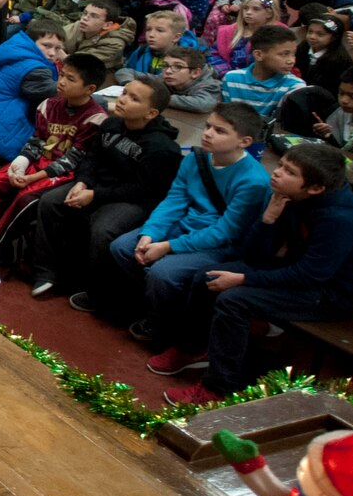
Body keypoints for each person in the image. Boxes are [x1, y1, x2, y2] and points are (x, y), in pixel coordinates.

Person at [153, 143, 353, 406]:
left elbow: (310, 276)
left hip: (332, 294)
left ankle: (218, 388)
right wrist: (268, 219)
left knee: (234, 301)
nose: (276, 173)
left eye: (289, 172)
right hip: (302, 275)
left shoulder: (340, 221)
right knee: (207, 277)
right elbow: (255, 257)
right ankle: (191, 349)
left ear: (315, 188)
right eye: (281, 165)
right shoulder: (289, 198)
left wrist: (244, 279)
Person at [79, 103, 272, 334]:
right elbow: (174, 200)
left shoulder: (253, 181)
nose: (208, 134)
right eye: (208, 126)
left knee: (163, 272)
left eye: (220, 131)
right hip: (185, 226)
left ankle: (161, 324)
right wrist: (150, 233)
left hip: (220, 244)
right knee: (122, 247)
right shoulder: (196, 159)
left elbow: (225, 232)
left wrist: (168, 246)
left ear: (245, 142)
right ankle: (146, 302)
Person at [22, 73, 181, 299]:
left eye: (134, 99)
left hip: (132, 200)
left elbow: (143, 189)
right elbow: (92, 157)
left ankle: (97, 292)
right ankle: (46, 272)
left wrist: (95, 195)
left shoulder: (162, 148)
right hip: (97, 186)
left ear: (151, 113)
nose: (123, 100)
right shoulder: (111, 124)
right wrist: (82, 182)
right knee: (51, 201)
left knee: (103, 229)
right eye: (124, 93)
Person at [0, 52, 110, 260]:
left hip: (62, 173)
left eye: (70, 79)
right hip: (38, 162)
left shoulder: (96, 118)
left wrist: (32, 178)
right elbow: (37, 141)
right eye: (62, 75)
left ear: (90, 89)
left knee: (25, 199)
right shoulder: (48, 105)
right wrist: (20, 164)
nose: (61, 82)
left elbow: (73, 159)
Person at [0, 19, 64, 163]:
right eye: (46, 46)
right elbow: (59, 93)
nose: (52, 53)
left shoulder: (13, 52)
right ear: (30, 41)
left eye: (58, 49)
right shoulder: (34, 69)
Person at [222, 24, 304, 117]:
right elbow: (226, 117)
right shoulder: (231, 79)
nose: (291, 61)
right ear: (258, 55)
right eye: (284, 54)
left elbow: (282, 123)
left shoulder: (295, 86)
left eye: (293, 54)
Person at [116, 7, 198, 82]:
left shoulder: (191, 58)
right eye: (148, 29)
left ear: (176, 37)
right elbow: (126, 71)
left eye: (160, 30)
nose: (151, 35)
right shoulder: (141, 51)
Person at [62, 0, 135, 72]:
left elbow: (81, 63)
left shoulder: (115, 44)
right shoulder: (81, 25)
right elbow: (58, 37)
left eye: (94, 16)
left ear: (107, 25)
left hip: (101, 73)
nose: (85, 18)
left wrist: (60, 53)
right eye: (85, 13)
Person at [295, 12, 351, 91]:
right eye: (310, 32)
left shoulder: (339, 61)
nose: (312, 37)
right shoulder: (303, 47)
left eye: (320, 34)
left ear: (334, 37)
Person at [160, 46, 222, 113]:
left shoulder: (209, 85)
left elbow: (203, 105)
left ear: (195, 73)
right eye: (165, 65)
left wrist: (160, 98)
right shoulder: (166, 78)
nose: (168, 71)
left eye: (178, 67)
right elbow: (152, 80)